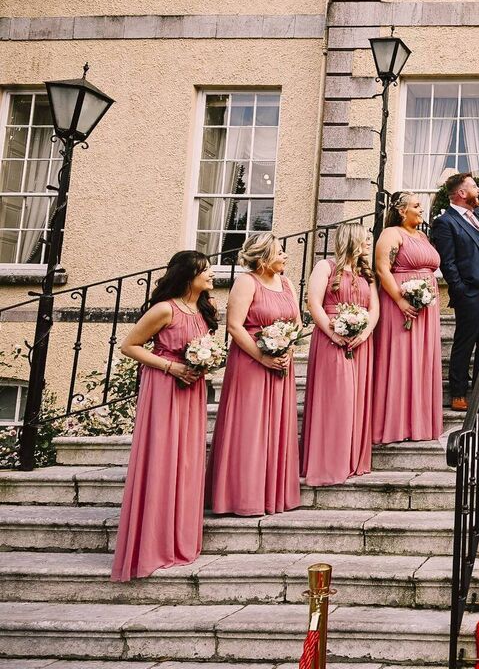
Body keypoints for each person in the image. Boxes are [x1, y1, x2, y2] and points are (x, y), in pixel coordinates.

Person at [111, 251, 218, 581]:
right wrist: (171, 366)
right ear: (189, 276)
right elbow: (129, 346)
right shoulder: (164, 309)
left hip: (191, 390)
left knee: (186, 461)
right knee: (162, 459)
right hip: (163, 387)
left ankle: (179, 538)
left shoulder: (202, 310)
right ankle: (153, 544)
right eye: (205, 270)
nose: (212, 275)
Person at [207, 233, 302, 516]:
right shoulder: (246, 282)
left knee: (277, 426)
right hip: (250, 362)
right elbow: (235, 327)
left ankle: (272, 493)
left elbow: (296, 322)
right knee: (249, 425)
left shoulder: (286, 283)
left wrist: (287, 349)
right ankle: (242, 496)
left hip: (281, 364)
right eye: (280, 251)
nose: (285, 255)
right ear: (263, 256)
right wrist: (262, 356)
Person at [302, 222, 378, 486]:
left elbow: (374, 308)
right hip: (331, 340)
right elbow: (314, 303)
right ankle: (328, 461)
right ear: (352, 239)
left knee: (355, 400)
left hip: (361, 343)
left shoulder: (367, 273)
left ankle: (350, 458)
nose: (369, 242)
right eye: (366, 238)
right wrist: (334, 334)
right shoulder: (326, 267)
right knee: (335, 400)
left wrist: (365, 333)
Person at [430, 173, 479, 412]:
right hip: (471, 292)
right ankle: (458, 392)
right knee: (465, 342)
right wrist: (460, 290)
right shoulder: (446, 222)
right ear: (461, 193)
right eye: (474, 186)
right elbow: (448, 262)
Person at [374, 192, 443, 442]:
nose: (421, 210)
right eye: (416, 206)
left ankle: (420, 422)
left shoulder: (423, 236)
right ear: (402, 211)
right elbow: (382, 269)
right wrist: (401, 300)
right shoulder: (391, 233)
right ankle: (396, 423)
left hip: (426, 306)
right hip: (399, 304)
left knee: (422, 360)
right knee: (402, 358)